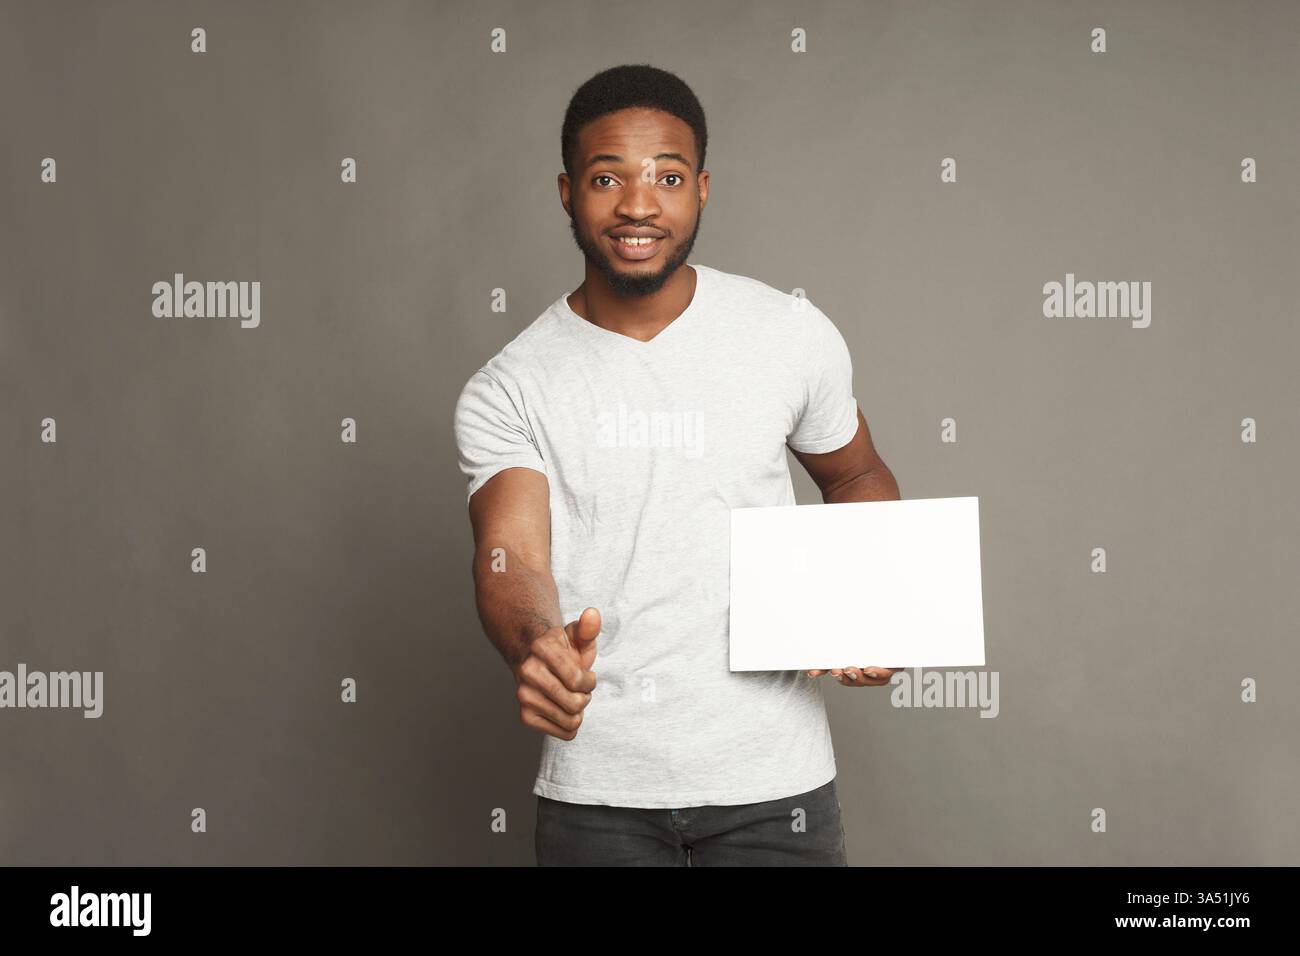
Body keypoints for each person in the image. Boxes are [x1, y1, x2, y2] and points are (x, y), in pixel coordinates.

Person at [453, 64, 901, 866]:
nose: (637, 204)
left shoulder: (788, 335)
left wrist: (865, 603)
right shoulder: (510, 385)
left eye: (666, 176)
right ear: (567, 193)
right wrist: (537, 645)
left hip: (776, 785)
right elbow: (510, 554)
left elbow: (856, 473)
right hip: (598, 798)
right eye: (606, 177)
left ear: (701, 188)